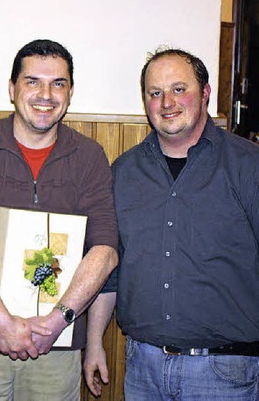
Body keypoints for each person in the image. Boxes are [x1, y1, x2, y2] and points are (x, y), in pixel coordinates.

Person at [0, 39, 118, 400]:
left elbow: (105, 250)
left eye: (58, 83)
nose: (45, 94)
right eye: (32, 81)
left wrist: (57, 321)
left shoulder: (89, 156)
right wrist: (1, 322)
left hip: (58, 346)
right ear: (11, 89)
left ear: (70, 92)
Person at [85, 48, 259, 399]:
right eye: (155, 93)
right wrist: (93, 344)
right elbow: (110, 269)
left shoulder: (248, 165)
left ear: (205, 92)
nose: (167, 102)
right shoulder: (123, 172)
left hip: (225, 374)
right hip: (142, 368)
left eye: (179, 89)